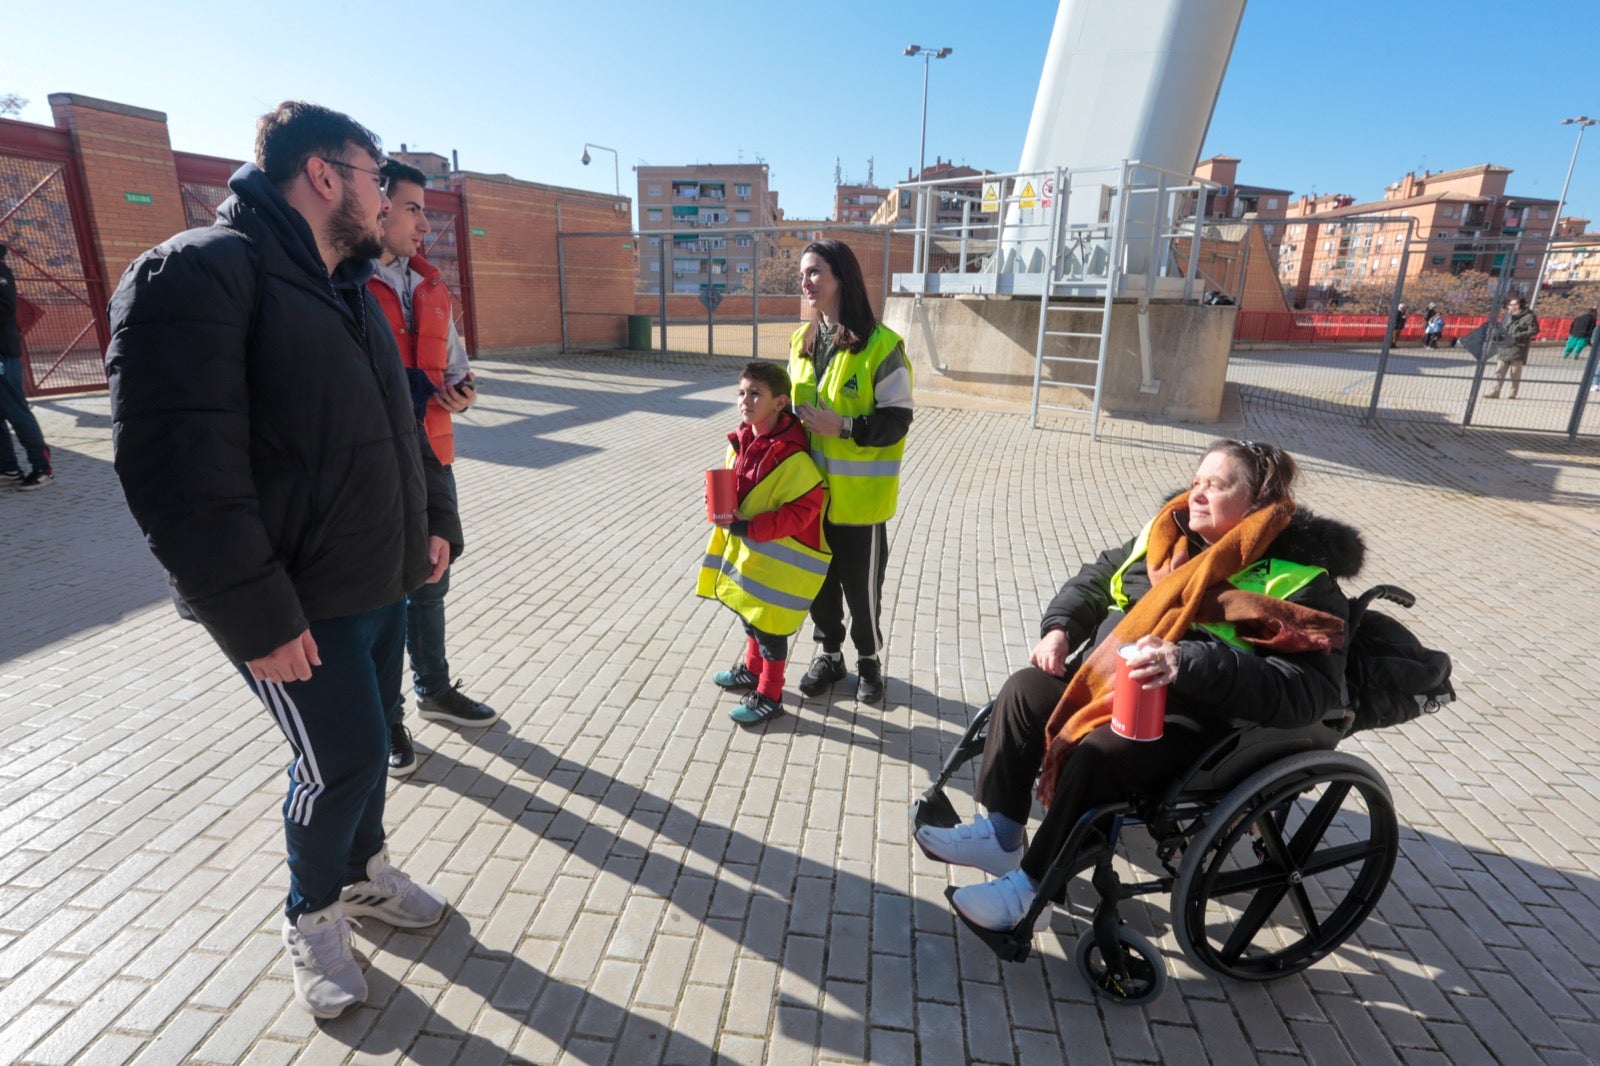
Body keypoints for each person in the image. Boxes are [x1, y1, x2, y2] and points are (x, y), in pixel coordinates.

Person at [105, 101, 463, 1019]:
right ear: (321, 173)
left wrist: (435, 521)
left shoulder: (347, 287)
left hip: (378, 576)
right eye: (375, 177)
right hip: (292, 602)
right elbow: (180, 474)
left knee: (368, 750)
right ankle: (312, 918)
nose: (386, 199)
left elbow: (403, 429)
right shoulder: (202, 273)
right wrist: (257, 616)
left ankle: (363, 872)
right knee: (337, 759)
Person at [915, 440, 1362, 932]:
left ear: (1256, 503)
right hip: (1113, 685)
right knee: (1024, 691)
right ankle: (1001, 837)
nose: (1197, 493)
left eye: (1218, 485)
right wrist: (1060, 627)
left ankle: (1029, 892)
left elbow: (1308, 690)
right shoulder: (1166, 534)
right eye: (1197, 481)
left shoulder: (1298, 581)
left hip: (1201, 724)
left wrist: (1188, 661)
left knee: (1102, 751)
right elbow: (1096, 579)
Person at [366, 160, 496, 777]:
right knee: (383, 595)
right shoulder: (348, 283)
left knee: (432, 577)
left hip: (434, 453)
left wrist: (461, 389)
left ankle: (434, 690)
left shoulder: (431, 284)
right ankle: (386, 719)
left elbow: (456, 364)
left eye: (425, 209)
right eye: (413, 208)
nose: (424, 222)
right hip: (375, 464)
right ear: (378, 205)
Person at [787, 239, 914, 705]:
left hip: (860, 501)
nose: (806, 281)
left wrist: (843, 427)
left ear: (841, 276)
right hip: (809, 498)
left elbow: (897, 420)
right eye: (803, 273)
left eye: (815, 271)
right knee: (819, 583)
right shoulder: (800, 343)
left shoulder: (881, 346)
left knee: (861, 593)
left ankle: (868, 663)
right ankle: (830, 655)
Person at [698, 361, 830, 725]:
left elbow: (806, 508)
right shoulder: (743, 438)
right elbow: (741, 488)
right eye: (741, 392)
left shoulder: (791, 454)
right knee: (749, 619)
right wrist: (717, 502)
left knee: (770, 630)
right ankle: (751, 671)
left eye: (756, 393)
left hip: (776, 566)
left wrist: (754, 526)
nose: (745, 400)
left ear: (780, 402)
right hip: (752, 560)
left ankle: (770, 695)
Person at [0, 242, 53, 489]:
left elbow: (6, 308)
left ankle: (42, 468)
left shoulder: (1, 272)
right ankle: (8, 468)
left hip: (3, 355)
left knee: (16, 411)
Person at [1484, 296, 1540, 399]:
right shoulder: (1507, 316)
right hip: (1504, 346)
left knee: (1515, 373)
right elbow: (1501, 327)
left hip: (1518, 348)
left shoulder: (1529, 316)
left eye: (1511, 304)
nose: (1508, 306)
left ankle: (1513, 393)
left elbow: (1534, 330)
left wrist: (1517, 335)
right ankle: (1495, 392)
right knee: (1499, 371)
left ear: (1517, 306)